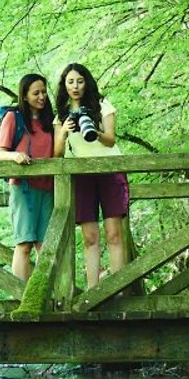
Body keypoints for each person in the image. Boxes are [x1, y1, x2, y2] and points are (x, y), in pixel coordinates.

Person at [53, 63, 129, 287]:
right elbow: (57, 155)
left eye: (79, 81)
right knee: (89, 237)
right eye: (70, 82)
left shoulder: (102, 104)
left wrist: (93, 131)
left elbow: (111, 140)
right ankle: (93, 291)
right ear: (64, 85)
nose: (75, 86)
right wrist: (64, 131)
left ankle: (118, 288)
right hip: (82, 175)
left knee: (114, 233)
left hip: (110, 170)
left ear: (86, 82)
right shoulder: (62, 114)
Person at [0, 73, 57, 280]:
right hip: (23, 187)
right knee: (24, 244)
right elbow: (0, 153)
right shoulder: (13, 118)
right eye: (36, 93)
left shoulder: (50, 121)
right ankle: (21, 297)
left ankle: (44, 297)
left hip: (48, 187)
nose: (42, 96)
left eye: (44, 92)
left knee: (45, 245)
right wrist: (16, 156)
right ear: (24, 95)